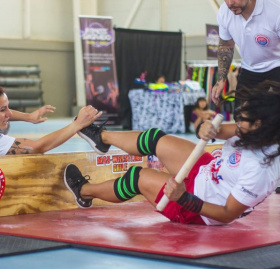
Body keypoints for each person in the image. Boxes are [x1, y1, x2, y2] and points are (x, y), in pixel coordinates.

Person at [65, 80, 280, 225]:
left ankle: (83, 191)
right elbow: (220, 130)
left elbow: (225, 214)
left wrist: (184, 198)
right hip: (208, 170)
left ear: (262, 125)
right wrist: (206, 128)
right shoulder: (255, 130)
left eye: (243, 121)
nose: (238, 124)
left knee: (135, 178)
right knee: (155, 139)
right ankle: (102, 138)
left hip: (200, 206)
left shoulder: (261, 172)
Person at [211, 0, 280, 108]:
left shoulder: (275, 9)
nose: (230, 3)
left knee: (273, 117)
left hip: (276, 66)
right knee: (241, 116)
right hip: (249, 68)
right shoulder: (224, 12)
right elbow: (226, 46)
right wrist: (220, 80)